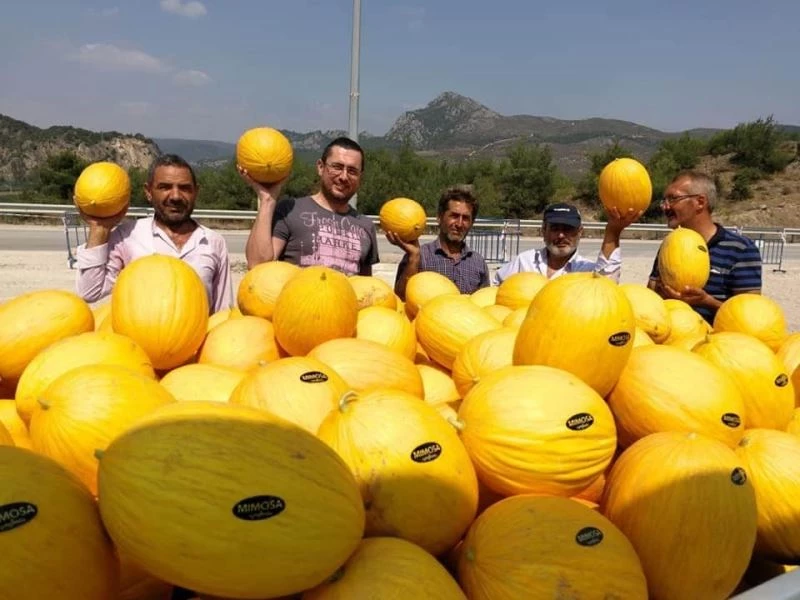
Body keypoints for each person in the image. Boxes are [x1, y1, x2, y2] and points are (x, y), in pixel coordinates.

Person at [75, 154, 234, 313]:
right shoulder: (127, 237)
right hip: (138, 336)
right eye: (165, 187)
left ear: (196, 192)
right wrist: (99, 229)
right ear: (148, 192)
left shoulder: (213, 242)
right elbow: (90, 292)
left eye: (185, 188)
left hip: (198, 337)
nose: (176, 196)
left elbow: (223, 310)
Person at [240, 136, 379, 276]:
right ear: (320, 167)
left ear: (360, 177)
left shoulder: (366, 226)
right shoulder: (290, 210)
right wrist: (267, 200)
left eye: (352, 171)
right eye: (337, 167)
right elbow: (258, 267)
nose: (343, 177)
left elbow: (365, 288)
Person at [648, 170, 762, 324]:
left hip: (717, 343)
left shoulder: (741, 249)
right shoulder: (669, 245)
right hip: (672, 338)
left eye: (673, 199)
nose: (665, 207)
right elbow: (650, 296)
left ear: (700, 202)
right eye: (664, 200)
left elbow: (751, 318)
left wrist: (706, 302)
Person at [493, 202, 640, 285]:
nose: (561, 235)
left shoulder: (586, 272)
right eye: (555, 228)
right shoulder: (524, 261)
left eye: (568, 229)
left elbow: (607, 282)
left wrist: (612, 231)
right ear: (543, 230)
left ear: (580, 232)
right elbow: (495, 288)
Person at [389, 185, 490, 300]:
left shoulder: (478, 263)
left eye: (466, 218)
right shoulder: (420, 256)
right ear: (439, 217)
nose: (459, 224)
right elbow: (400, 300)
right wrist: (413, 259)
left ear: (472, 223)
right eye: (454, 216)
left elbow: (485, 306)